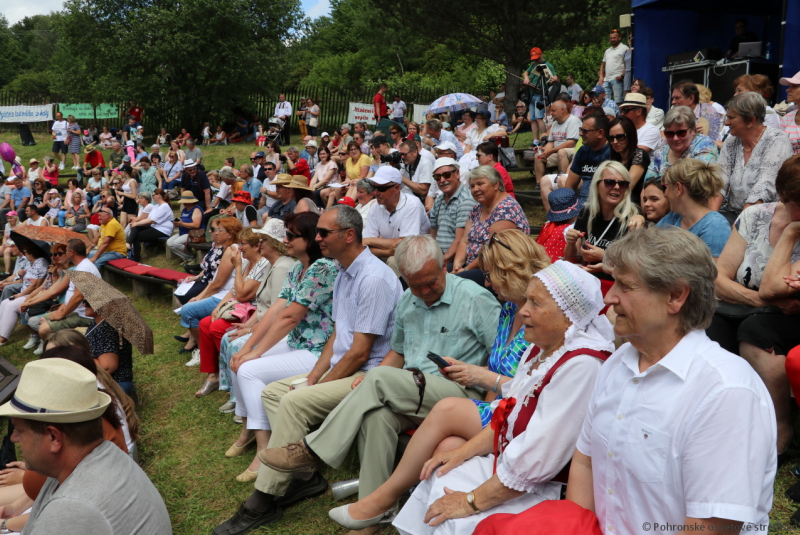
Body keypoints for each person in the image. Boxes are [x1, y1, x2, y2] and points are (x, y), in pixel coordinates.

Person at [264, 236, 545, 534]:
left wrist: (476, 381)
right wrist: (373, 379)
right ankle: (373, 514)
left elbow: (496, 365)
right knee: (377, 415)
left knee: (379, 378)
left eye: (430, 283)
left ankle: (313, 449)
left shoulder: (476, 299)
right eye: (415, 285)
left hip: (460, 393)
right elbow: (397, 351)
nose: (423, 292)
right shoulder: (411, 300)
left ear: (444, 267)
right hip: (414, 389)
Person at [565, 226, 775, 535]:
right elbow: (585, 462)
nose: (609, 297)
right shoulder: (616, 365)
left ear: (675, 296)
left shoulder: (726, 392)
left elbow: (709, 528)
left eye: (625, 285)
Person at [211, 206, 404, 535]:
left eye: (323, 233)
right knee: (275, 393)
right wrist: (314, 376)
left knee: (292, 400)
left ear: (349, 235)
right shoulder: (344, 272)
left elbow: (359, 353)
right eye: (315, 233)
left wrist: (318, 385)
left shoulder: (371, 278)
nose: (317, 238)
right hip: (344, 366)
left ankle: (262, 499)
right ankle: (304, 477)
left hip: (371, 375)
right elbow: (337, 335)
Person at [388, 260, 614, 535]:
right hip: (512, 466)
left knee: (454, 515)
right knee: (445, 469)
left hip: (541, 489)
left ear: (569, 315)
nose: (524, 311)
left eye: (535, 303)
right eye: (526, 300)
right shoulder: (541, 350)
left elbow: (536, 460)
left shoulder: (582, 365)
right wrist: (460, 453)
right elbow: (507, 416)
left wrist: (471, 501)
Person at [0, 358, 172, 533]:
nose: (13, 437)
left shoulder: (71, 509)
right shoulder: (100, 455)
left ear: (53, 437)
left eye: (20, 431)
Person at [225, 213, 336, 480]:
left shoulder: (323, 269)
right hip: (298, 341)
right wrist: (247, 348)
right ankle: (249, 428)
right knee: (238, 357)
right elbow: (277, 309)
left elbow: (290, 317)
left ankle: (264, 449)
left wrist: (255, 352)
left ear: (308, 239)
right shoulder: (298, 267)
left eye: (291, 235)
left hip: (317, 350)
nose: (284, 240)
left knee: (249, 369)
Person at [706, 154, 800, 456]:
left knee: (756, 331)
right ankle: (719, 423)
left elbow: (775, 287)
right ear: (783, 197)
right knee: (707, 328)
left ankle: (779, 425)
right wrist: (757, 299)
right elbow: (720, 277)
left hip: (789, 316)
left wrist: (790, 233)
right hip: (743, 304)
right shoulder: (755, 216)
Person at [201, 221, 294, 411]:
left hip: (261, 319)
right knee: (213, 328)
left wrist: (250, 329)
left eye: (262, 240)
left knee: (230, 339)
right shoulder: (270, 264)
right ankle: (225, 385)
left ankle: (240, 399)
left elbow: (270, 308)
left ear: (273, 243)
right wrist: (224, 309)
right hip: (253, 315)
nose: (259, 245)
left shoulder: (281, 266)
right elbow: (259, 304)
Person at [565, 161, 639, 291]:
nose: (616, 187)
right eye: (610, 182)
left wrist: (604, 256)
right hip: (587, 282)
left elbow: (635, 268)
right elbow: (571, 259)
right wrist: (571, 242)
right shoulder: (586, 213)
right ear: (597, 185)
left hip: (616, 286)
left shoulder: (632, 219)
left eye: (622, 184)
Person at [716, 92, 793, 217]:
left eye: (731, 117)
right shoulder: (730, 143)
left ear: (751, 120)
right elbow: (719, 183)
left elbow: (765, 186)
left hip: (769, 215)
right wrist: (710, 220)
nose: (726, 123)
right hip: (733, 213)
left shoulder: (777, 139)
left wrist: (739, 226)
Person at [452, 166, 529, 284]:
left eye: (480, 184)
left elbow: (492, 251)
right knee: (438, 274)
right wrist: (457, 266)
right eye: (472, 186)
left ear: (496, 185)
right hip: (472, 266)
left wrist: (466, 270)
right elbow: (464, 241)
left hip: (498, 270)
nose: (475, 189)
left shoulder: (506, 209)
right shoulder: (477, 209)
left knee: (453, 282)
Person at [179, 217, 243, 358]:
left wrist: (199, 297)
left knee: (187, 310)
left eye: (220, 230)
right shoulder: (227, 248)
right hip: (222, 293)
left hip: (225, 296)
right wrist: (199, 297)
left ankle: (204, 352)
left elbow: (218, 284)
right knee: (189, 306)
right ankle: (202, 347)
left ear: (230, 234)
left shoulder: (231, 250)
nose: (216, 233)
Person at [657, 159, 730, 258]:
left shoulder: (716, 226)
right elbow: (648, 246)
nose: (664, 194)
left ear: (678, 188)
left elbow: (712, 271)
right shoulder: (674, 217)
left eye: (665, 188)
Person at [363, 167, 431, 264]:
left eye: (381, 188)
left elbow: (405, 245)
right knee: (363, 257)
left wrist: (370, 240)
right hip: (392, 252)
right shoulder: (375, 207)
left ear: (396, 188)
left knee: (393, 261)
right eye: (374, 188)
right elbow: (366, 247)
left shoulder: (412, 204)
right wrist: (387, 252)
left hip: (419, 255)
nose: (376, 193)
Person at [36, 239, 100, 339]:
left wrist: (62, 314)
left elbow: (78, 297)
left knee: (43, 330)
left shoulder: (84, 268)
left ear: (71, 252)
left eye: (66, 251)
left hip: (83, 315)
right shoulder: (80, 266)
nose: (65, 253)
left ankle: (58, 349)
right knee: (43, 319)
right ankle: (58, 346)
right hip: (75, 310)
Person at [644, 106, 718, 185]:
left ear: (692, 130)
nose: (675, 138)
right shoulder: (660, 153)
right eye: (669, 134)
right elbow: (647, 186)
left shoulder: (705, 144)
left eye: (681, 133)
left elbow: (698, 184)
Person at [0, 243, 49, 346]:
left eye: (26, 252)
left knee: (10, 306)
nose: (25, 255)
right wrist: (22, 276)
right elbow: (26, 281)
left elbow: (35, 285)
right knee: (4, 302)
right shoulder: (33, 263)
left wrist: (20, 295)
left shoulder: (40, 262)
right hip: (25, 293)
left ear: (31, 252)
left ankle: (3, 338)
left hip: (33, 295)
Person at [429, 158, 477, 263]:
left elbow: (460, 241)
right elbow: (433, 234)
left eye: (446, 175)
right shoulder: (439, 200)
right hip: (439, 257)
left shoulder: (466, 200)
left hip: (455, 261)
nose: (442, 180)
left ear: (457, 173)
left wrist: (439, 263)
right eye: (437, 177)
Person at [535, 100, 581, 201]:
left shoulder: (573, 121)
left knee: (562, 152)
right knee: (538, 155)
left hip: (572, 151)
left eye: (554, 111)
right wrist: (544, 150)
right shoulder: (555, 124)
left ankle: (563, 183)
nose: (551, 113)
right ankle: (538, 184)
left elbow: (571, 143)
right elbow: (551, 142)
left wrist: (550, 151)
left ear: (562, 110)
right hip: (556, 151)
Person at [564, 112, 612, 209]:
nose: (580, 133)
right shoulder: (583, 151)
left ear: (600, 133)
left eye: (585, 131)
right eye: (581, 130)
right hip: (580, 205)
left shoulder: (611, 153)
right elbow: (569, 186)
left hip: (601, 206)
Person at [608, 116, 650, 205]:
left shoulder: (639, 155)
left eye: (620, 137)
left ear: (630, 136)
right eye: (611, 138)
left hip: (633, 204)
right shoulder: (613, 157)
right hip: (615, 202)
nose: (615, 142)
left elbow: (626, 187)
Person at [126, 189, 174, 262]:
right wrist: (136, 224)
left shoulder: (164, 206)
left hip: (163, 229)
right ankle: (128, 244)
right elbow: (149, 218)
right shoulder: (156, 206)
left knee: (136, 237)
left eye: (153, 195)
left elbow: (152, 220)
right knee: (136, 227)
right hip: (155, 226)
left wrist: (137, 223)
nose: (152, 197)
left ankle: (136, 259)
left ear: (159, 196)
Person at [537, 188, 580, 262]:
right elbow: (576, 257)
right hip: (561, 269)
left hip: (543, 266)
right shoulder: (572, 229)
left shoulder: (547, 225)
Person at [522, 47, 555, 140]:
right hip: (531, 94)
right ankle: (535, 140)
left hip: (540, 94)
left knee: (538, 117)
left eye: (537, 58)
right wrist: (526, 78)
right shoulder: (533, 65)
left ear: (541, 55)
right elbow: (525, 73)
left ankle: (544, 137)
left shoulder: (547, 65)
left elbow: (555, 77)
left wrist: (553, 79)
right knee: (532, 118)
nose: (536, 60)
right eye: (534, 58)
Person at [166, 192, 204, 264]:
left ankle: (191, 257)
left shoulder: (196, 209)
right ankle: (187, 258)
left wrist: (182, 224)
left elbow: (196, 225)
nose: (183, 203)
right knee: (170, 242)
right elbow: (183, 221)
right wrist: (177, 224)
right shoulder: (184, 210)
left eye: (185, 202)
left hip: (194, 233)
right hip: (183, 232)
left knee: (177, 243)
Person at [599, 29, 629, 104]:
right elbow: (603, 64)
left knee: (618, 100)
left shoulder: (624, 48)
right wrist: (601, 77)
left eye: (614, 37)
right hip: (607, 79)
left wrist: (622, 76)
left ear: (619, 38)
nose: (612, 39)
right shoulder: (607, 50)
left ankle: (618, 115)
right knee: (604, 100)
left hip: (617, 78)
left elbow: (627, 63)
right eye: (611, 38)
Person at [779, 71, 800, 155]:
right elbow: (780, 150)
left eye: (794, 86)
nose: (788, 90)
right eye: (789, 86)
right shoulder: (786, 119)